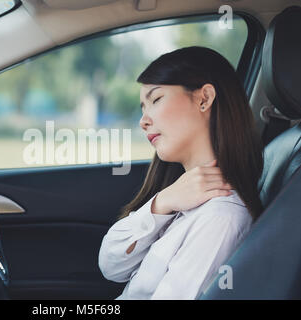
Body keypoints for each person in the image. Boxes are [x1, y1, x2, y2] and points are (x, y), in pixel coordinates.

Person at [98, 46, 264, 300]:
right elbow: (111, 267)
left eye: (155, 99)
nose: (143, 120)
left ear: (204, 98)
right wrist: (162, 203)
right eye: (143, 107)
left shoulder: (221, 216)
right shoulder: (177, 198)